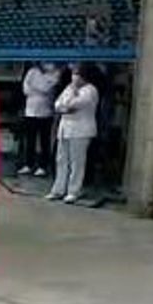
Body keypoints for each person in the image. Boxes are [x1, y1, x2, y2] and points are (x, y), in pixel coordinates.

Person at [47, 63, 100, 204]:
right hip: (65, 129)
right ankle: (58, 189)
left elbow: (75, 104)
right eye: (73, 74)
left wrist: (67, 104)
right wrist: (66, 104)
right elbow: (58, 104)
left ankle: (73, 191)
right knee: (61, 160)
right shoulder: (69, 88)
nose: (74, 77)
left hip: (81, 131)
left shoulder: (90, 90)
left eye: (77, 74)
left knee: (77, 162)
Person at [19, 62, 61, 177]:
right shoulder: (32, 71)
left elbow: (46, 89)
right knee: (30, 140)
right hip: (30, 111)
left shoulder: (56, 72)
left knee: (44, 141)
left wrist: (35, 87)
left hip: (45, 113)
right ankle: (28, 164)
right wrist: (37, 88)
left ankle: (43, 166)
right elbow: (26, 89)